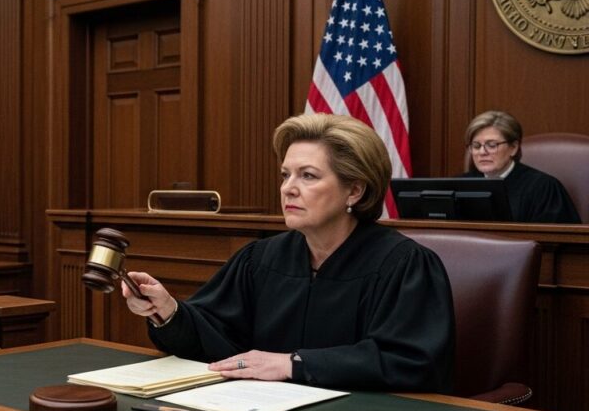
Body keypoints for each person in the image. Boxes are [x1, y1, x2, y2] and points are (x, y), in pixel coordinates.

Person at [122, 113, 455, 392]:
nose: (287, 188)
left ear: (354, 190)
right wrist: (167, 310)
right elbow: (217, 337)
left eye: (307, 176)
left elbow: (411, 361)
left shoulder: (404, 265)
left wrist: (293, 364)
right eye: (285, 175)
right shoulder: (261, 259)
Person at [461, 110, 580, 224]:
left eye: (492, 145)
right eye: (476, 146)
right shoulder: (460, 186)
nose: (482, 152)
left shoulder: (544, 188)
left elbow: (557, 236)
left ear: (513, 148)